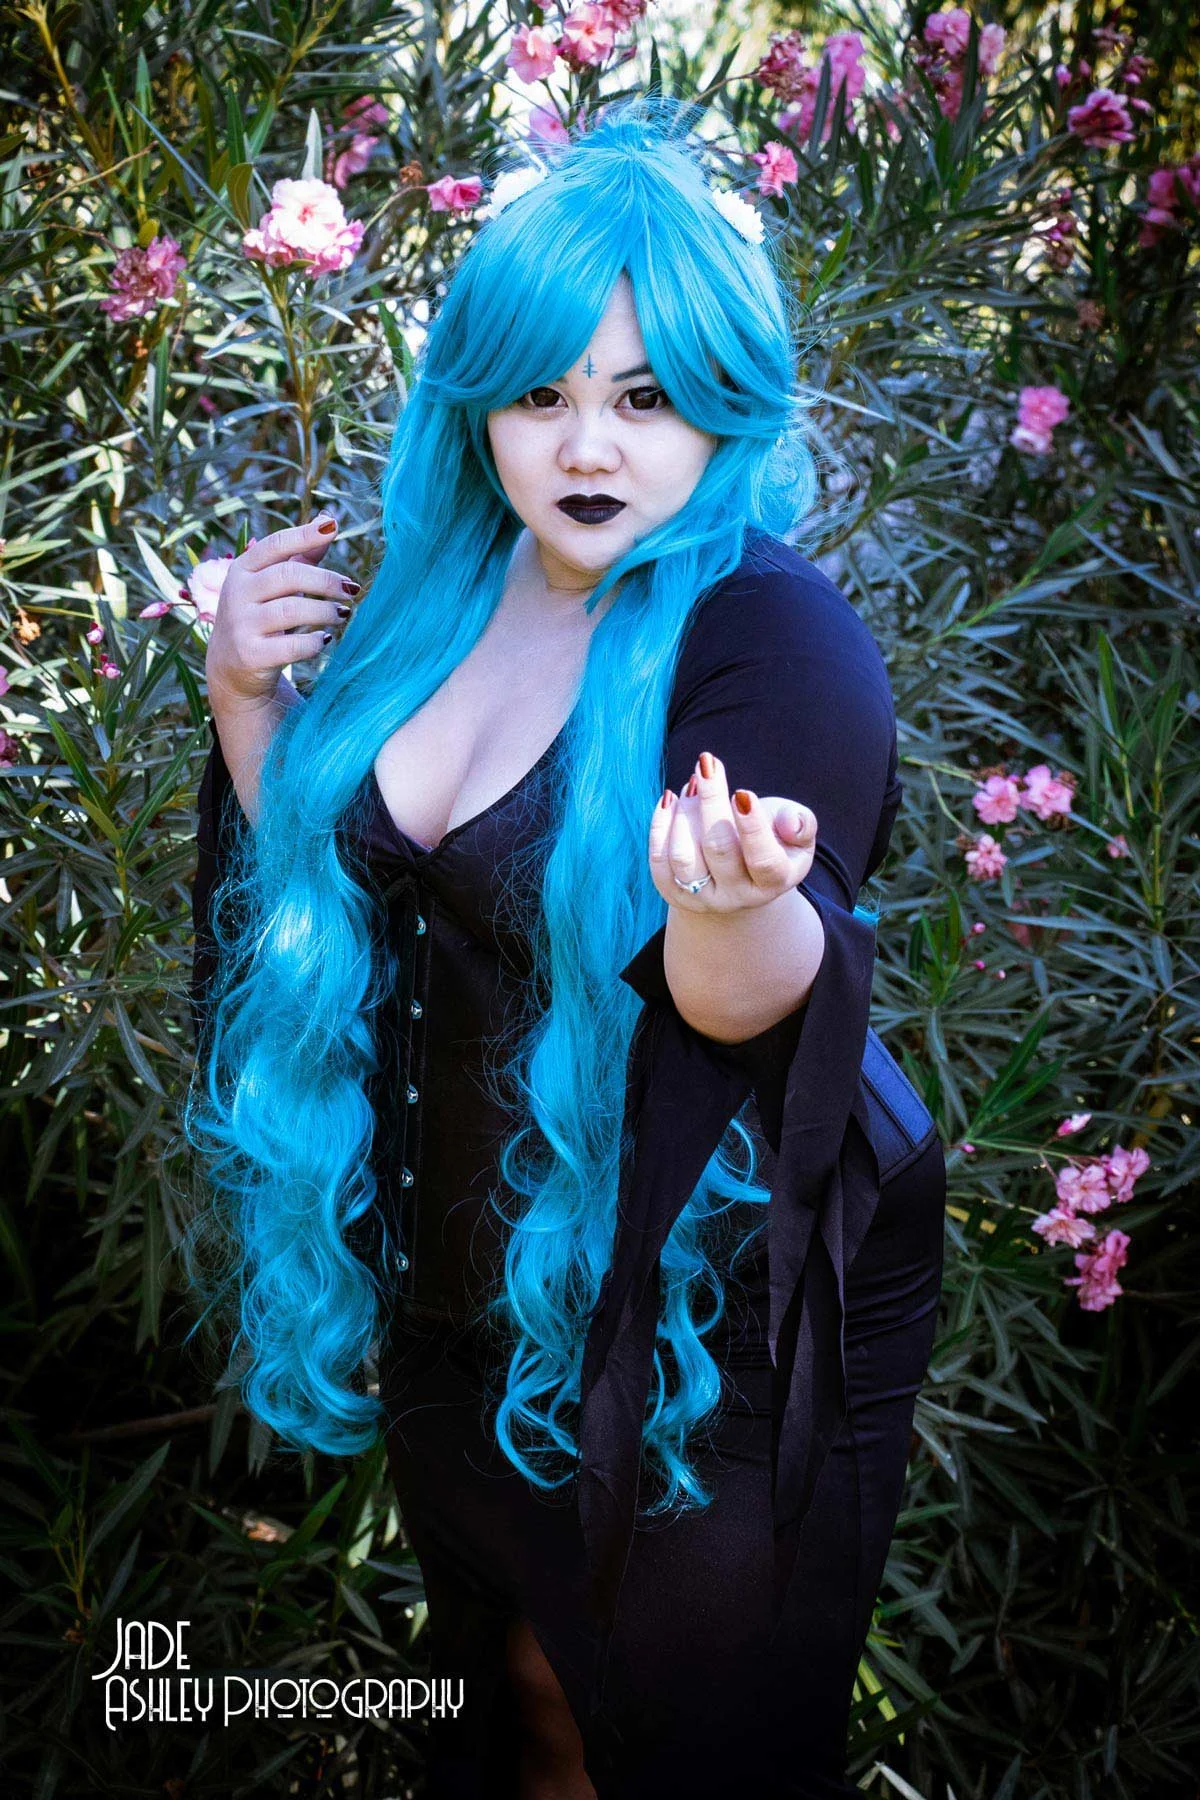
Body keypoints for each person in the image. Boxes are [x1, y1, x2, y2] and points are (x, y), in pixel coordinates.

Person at [185, 96, 946, 1800]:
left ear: (724, 408)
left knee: (683, 1749)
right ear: (479, 409)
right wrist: (253, 699)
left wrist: (734, 911)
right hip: (472, 1301)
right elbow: (351, 888)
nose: (588, 446)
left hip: (708, 1323)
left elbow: (754, 1023)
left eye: (646, 396)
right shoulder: (444, 595)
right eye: (541, 394)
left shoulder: (773, 640)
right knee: (515, 1708)